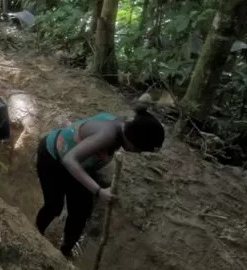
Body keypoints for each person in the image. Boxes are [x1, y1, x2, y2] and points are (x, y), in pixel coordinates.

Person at [35, 106, 165, 258]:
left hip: (79, 165)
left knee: (81, 212)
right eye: (140, 150)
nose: (139, 153)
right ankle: (35, 234)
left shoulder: (123, 125)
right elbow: (69, 160)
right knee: (54, 206)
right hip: (53, 157)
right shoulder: (107, 135)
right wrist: (98, 191)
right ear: (132, 142)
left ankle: (65, 252)